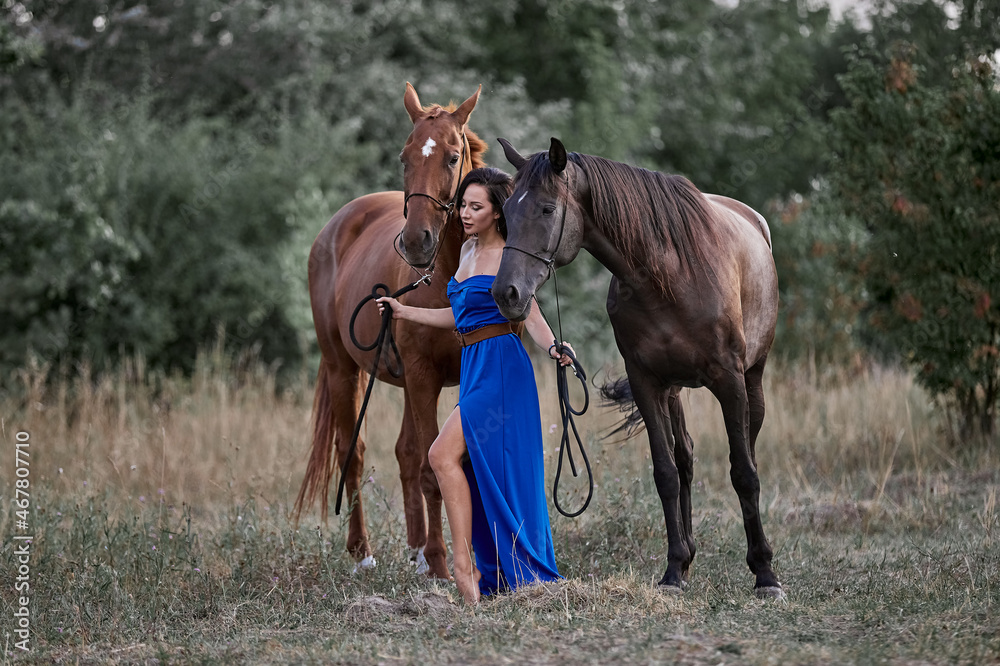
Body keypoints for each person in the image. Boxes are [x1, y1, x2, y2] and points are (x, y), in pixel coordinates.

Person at [377, 167, 574, 605]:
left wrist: (554, 347)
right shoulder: (466, 252)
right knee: (476, 468)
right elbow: (458, 317)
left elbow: (531, 315)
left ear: (497, 212)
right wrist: (405, 312)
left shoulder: (510, 254)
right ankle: (490, 571)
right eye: (463, 205)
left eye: (475, 207)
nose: (465, 213)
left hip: (503, 367)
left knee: (441, 455)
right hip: (475, 363)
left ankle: (464, 570)